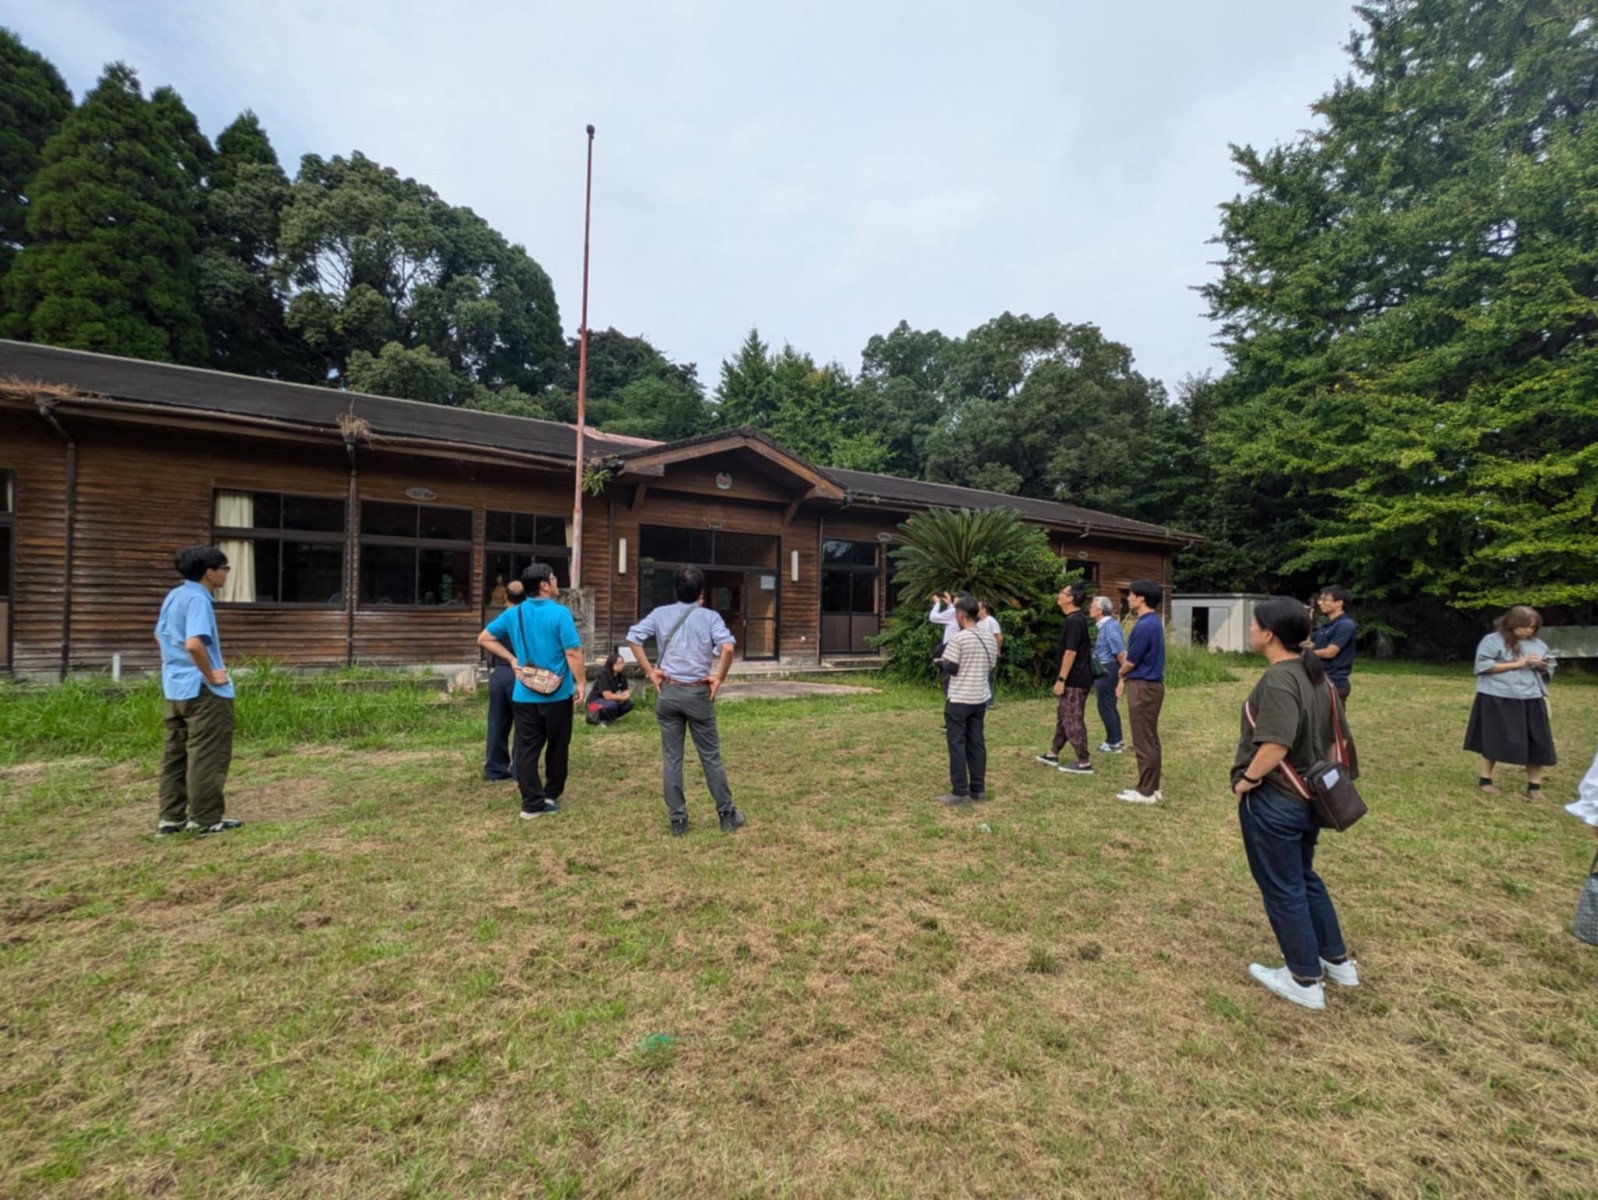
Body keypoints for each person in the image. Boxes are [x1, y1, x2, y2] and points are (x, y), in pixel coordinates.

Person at [1231, 596, 1358, 1010]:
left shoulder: (1279, 680)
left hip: (1277, 799)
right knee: (1303, 878)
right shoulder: (1316, 676)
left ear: (1269, 634)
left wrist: (1247, 781)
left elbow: (1276, 743)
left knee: (1283, 887)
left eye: (1254, 624)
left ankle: (1303, 978)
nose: (1251, 630)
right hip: (1309, 799)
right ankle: (1336, 960)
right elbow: (1336, 742)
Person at [627, 566, 747, 836]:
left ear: (675, 590)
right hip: (697, 692)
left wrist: (650, 671)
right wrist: (719, 678)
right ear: (701, 591)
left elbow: (633, 637)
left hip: (668, 691)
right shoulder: (710, 617)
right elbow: (728, 647)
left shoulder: (660, 614)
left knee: (672, 759)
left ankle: (678, 820)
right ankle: (727, 814)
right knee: (710, 757)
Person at [477, 563, 585, 818]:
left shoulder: (514, 613)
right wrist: (581, 682)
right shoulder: (560, 613)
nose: (557, 582)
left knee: (526, 748)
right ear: (544, 585)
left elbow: (484, 638)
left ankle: (531, 803)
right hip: (557, 693)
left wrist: (512, 659)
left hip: (524, 692)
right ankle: (551, 792)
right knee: (558, 746)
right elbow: (572, 652)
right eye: (554, 578)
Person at [154, 545, 241, 836]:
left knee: (175, 755)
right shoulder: (198, 599)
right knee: (207, 754)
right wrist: (210, 675)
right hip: (203, 691)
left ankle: (171, 818)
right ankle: (205, 819)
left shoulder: (175, 595)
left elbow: (159, 635)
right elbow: (194, 643)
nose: (227, 574)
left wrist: (176, 663)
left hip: (175, 688)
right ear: (209, 573)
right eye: (225, 568)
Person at [1465, 605, 1557, 798]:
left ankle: (1534, 786)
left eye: (1532, 627)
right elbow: (1483, 666)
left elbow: (1550, 666)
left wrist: (1542, 666)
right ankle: (1485, 780)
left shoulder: (1538, 644)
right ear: (1511, 624)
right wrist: (1517, 664)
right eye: (1524, 627)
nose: (1528, 631)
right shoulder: (1492, 641)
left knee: (1537, 741)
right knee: (1494, 738)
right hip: (1498, 696)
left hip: (1531, 697)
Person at [935, 594, 999, 805]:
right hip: (980, 698)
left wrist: (940, 662)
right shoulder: (989, 638)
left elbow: (952, 667)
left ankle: (960, 791)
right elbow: (991, 665)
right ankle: (978, 789)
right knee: (977, 743)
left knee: (957, 744)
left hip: (960, 697)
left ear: (961, 614)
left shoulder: (959, 638)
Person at [1035, 582, 1094, 775]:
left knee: (1072, 718)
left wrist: (1061, 679)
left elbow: (1071, 652)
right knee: (1063, 715)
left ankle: (1083, 762)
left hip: (1075, 679)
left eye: (1061, 592)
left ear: (1070, 598)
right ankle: (1053, 753)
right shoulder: (1073, 619)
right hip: (1073, 678)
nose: (1058, 595)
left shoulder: (1074, 621)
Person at [1116, 579, 1167, 804]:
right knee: (1150, 737)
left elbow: (1131, 661)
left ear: (1141, 598)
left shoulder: (1144, 625)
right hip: (1151, 686)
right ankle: (1152, 787)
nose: (1128, 598)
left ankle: (1146, 791)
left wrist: (1120, 672)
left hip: (1143, 686)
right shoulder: (1154, 622)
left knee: (1143, 739)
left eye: (1131, 594)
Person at [482, 578, 526, 780]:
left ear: (506, 597)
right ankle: (520, 768)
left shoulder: (500, 618)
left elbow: (486, 641)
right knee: (523, 723)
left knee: (497, 722)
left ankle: (495, 768)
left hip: (500, 672)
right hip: (521, 672)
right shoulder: (526, 618)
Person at [1090, 595, 1127, 753]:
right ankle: (1116, 739)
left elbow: (1120, 652)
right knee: (1109, 705)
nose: (1089, 609)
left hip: (1108, 669)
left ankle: (1113, 742)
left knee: (1105, 706)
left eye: (1092, 607)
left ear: (1100, 610)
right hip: (1107, 668)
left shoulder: (1109, 627)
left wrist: (1122, 676)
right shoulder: (1105, 625)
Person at [1310, 586, 1357, 702]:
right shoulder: (1325, 627)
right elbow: (1310, 644)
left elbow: (1330, 653)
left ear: (1339, 603)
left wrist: (1306, 654)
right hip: (1319, 679)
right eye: (1320, 599)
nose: (1320, 603)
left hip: (1334, 682)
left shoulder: (1345, 625)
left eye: (1325, 600)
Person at [585, 650, 635, 726]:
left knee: (629, 704)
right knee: (612, 704)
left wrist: (625, 697)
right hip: (594, 703)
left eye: (622, 663)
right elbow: (608, 696)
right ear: (611, 664)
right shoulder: (603, 676)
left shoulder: (621, 676)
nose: (620, 665)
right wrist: (622, 697)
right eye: (617, 663)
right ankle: (598, 719)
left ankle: (609, 719)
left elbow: (626, 692)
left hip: (608, 701)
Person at [976, 599, 1004, 709]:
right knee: (982, 677)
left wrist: (997, 649)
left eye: (978, 608)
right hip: (980, 653)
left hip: (989, 653)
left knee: (987, 677)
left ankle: (989, 702)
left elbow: (999, 637)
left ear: (984, 609)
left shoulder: (991, 621)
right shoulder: (978, 623)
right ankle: (983, 701)